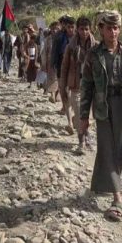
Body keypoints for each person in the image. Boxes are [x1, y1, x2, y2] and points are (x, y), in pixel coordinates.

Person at [79, 10, 122, 222]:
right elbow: (86, 87)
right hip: (103, 107)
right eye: (109, 28)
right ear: (101, 30)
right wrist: (83, 117)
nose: (113, 32)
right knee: (107, 149)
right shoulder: (93, 55)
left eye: (116, 28)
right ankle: (117, 197)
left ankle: (102, 183)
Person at [60, 16, 97, 152]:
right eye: (81, 29)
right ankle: (82, 141)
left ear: (90, 29)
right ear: (77, 29)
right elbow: (64, 68)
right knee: (80, 114)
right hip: (75, 86)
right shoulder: (71, 47)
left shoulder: (96, 47)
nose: (84, 32)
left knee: (88, 116)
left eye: (86, 29)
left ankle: (86, 137)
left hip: (91, 86)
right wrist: (62, 87)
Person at [52, 16, 76, 113]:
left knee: (72, 89)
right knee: (63, 88)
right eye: (68, 27)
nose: (70, 29)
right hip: (61, 66)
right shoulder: (59, 37)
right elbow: (55, 51)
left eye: (72, 27)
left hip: (74, 67)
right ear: (65, 27)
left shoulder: (78, 38)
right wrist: (53, 64)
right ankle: (64, 106)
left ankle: (71, 107)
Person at [41, 22, 61, 103]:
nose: (55, 31)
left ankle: (57, 94)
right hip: (50, 62)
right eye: (53, 29)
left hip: (60, 62)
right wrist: (44, 63)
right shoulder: (48, 39)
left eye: (57, 29)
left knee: (59, 78)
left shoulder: (62, 38)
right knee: (51, 78)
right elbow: (44, 52)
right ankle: (52, 94)